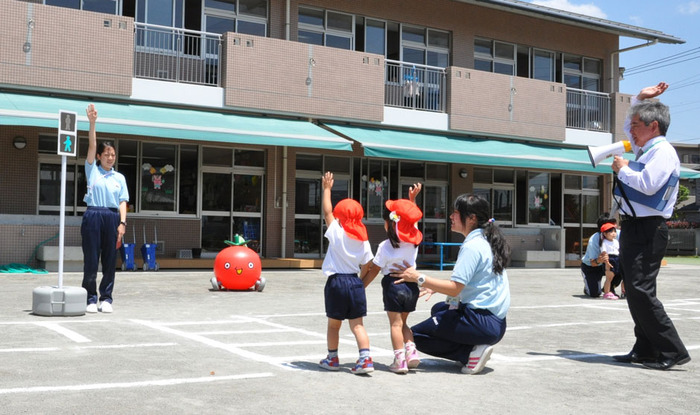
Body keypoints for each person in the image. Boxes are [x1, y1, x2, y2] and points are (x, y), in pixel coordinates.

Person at [611, 82, 690, 370]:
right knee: (635, 290)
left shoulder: (662, 152)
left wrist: (623, 170)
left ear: (653, 126)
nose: (630, 131)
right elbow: (629, 125)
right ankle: (645, 348)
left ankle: (672, 350)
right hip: (638, 227)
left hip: (648, 228)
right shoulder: (649, 148)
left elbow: (647, 185)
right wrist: (639, 99)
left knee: (640, 290)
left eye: (635, 125)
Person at [391, 193, 511, 375]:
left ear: (471, 219)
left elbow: (456, 287)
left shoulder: (472, 246)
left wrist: (418, 277)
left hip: (480, 321)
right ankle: (472, 345)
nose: (451, 217)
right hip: (495, 323)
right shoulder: (486, 240)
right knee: (439, 309)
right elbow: (467, 283)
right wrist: (435, 287)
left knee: (414, 337)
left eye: (456, 213)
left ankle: (469, 353)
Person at [318, 172, 375, 375]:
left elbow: (327, 212)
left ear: (340, 216)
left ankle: (332, 358)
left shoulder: (337, 232)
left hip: (336, 282)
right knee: (358, 325)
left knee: (334, 325)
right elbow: (368, 264)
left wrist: (327, 188)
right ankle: (365, 358)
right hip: (354, 282)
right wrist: (360, 282)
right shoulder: (364, 239)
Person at [362, 183, 423, 374]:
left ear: (390, 224)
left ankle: (399, 361)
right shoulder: (414, 243)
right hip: (411, 286)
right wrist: (412, 200)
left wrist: (360, 285)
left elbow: (373, 270)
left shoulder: (385, 246)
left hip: (392, 286)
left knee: (395, 324)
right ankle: (411, 352)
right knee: (404, 323)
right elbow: (412, 223)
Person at [81, 104, 129, 313]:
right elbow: (91, 145)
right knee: (91, 258)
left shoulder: (120, 178)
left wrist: (122, 222)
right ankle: (91, 298)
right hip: (93, 215)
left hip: (111, 217)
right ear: (99, 156)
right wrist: (92, 123)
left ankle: (106, 298)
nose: (110, 157)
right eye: (107, 154)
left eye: (113, 154)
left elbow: (122, 202)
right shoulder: (92, 169)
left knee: (110, 259)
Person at [580, 213, 622, 298]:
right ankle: (588, 284)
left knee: (623, 266)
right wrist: (599, 260)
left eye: (614, 228)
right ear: (603, 231)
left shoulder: (619, 234)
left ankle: (610, 288)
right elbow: (593, 263)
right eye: (610, 229)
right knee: (595, 294)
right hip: (592, 266)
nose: (613, 232)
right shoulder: (594, 239)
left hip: (611, 263)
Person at [600, 223, 621, 300]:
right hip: (610, 259)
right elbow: (604, 253)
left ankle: (608, 291)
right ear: (605, 234)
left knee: (613, 277)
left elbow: (619, 250)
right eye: (611, 232)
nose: (613, 233)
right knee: (609, 278)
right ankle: (606, 293)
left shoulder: (616, 241)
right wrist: (607, 263)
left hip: (617, 259)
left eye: (614, 231)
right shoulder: (604, 242)